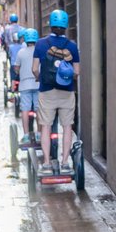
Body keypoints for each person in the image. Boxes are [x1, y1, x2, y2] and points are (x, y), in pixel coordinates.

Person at [32, 9, 81, 175]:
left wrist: (39, 77)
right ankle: (66, 163)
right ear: (66, 26)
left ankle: (46, 163)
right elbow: (77, 72)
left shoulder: (40, 44)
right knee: (67, 127)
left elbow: (34, 69)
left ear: (50, 24)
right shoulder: (72, 46)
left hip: (46, 91)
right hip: (66, 93)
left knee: (45, 126)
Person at [14, 28, 41, 139]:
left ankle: (25, 135)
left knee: (25, 109)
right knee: (38, 109)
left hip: (25, 85)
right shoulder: (39, 51)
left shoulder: (21, 52)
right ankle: (39, 133)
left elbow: (16, 68)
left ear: (25, 39)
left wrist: (19, 72)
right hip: (37, 84)